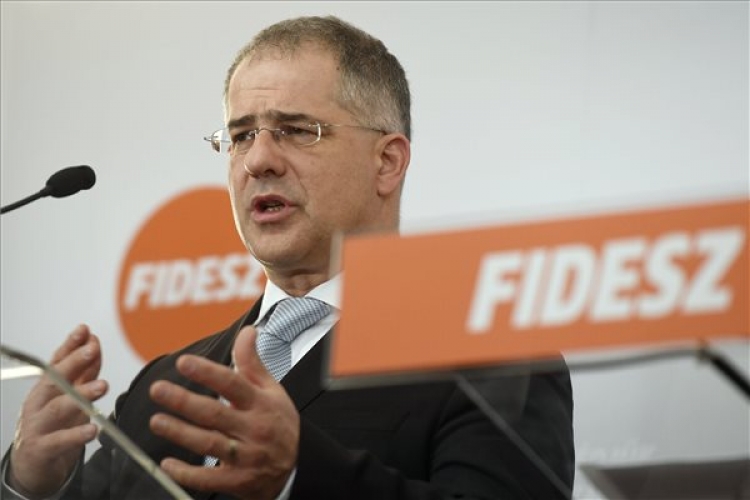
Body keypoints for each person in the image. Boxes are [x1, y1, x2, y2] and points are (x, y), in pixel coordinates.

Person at [2, 15, 575, 500]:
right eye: (241, 136)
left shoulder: (495, 358)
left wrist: (297, 475)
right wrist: (29, 485)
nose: (258, 161)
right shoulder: (167, 383)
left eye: (297, 130)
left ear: (387, 162)